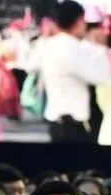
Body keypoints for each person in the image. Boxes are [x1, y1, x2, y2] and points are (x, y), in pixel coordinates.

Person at [32, 0, 109, 142]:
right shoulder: (76, 50)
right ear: (79, 21)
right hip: (74, 124)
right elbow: (101, 76)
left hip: (55, 120)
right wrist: (101, 47)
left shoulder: (48, 45)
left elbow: (30, 65)